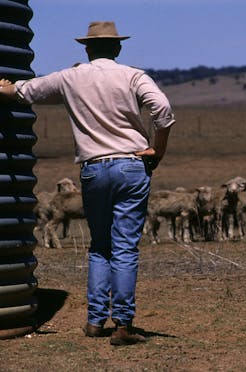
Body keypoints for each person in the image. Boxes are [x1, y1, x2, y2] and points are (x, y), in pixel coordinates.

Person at [0, 21, 176, 345]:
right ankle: (123, 325)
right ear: (118, 48)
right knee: (124, 247)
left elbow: (24, 91)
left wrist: (6, 87)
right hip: (132, 166)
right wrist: (157, 150)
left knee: (99, 246)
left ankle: (95, 321)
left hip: (94, 169)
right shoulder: (134, 76)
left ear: (87, 49)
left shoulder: (70, 77)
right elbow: (162, 109)